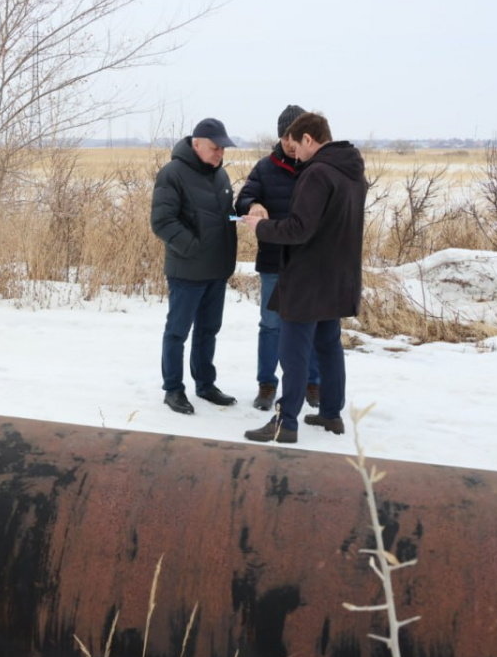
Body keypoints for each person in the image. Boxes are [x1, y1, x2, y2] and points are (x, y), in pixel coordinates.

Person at [238, 112, 366, 443]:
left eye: (296, 146)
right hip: (338, 276)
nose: (295, 154)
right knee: (328, 345)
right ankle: (331, 414)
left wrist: (260, 227)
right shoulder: (351, 171)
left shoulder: (318, 173)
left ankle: (286, 422)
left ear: (308, 139)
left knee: (293, 350)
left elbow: (299, 228)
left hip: (308, 279)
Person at [235, 104, 323, 412]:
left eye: (294, 135)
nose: (289, 141)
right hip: (274, 260)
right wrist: (254, 203)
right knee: (271, 324)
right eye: (285, 135)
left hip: (309, 262)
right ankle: (266, 384)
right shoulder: (265, 167)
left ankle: (313, 384)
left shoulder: (317, 167)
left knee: (309, 324)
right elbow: (241, 199)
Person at [151, 117, 239, 415]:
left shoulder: (221, 176)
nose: (220, 154)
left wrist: (247, 218)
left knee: (208, 330)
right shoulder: (172, 174)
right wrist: (194, 248)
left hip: (217, 270)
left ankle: (205, 384)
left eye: (223, 149)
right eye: (216, 148)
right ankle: (173, 390)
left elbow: (224, 217)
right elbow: (162, 221)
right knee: (177, 332)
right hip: (187, 271)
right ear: (197, 143)